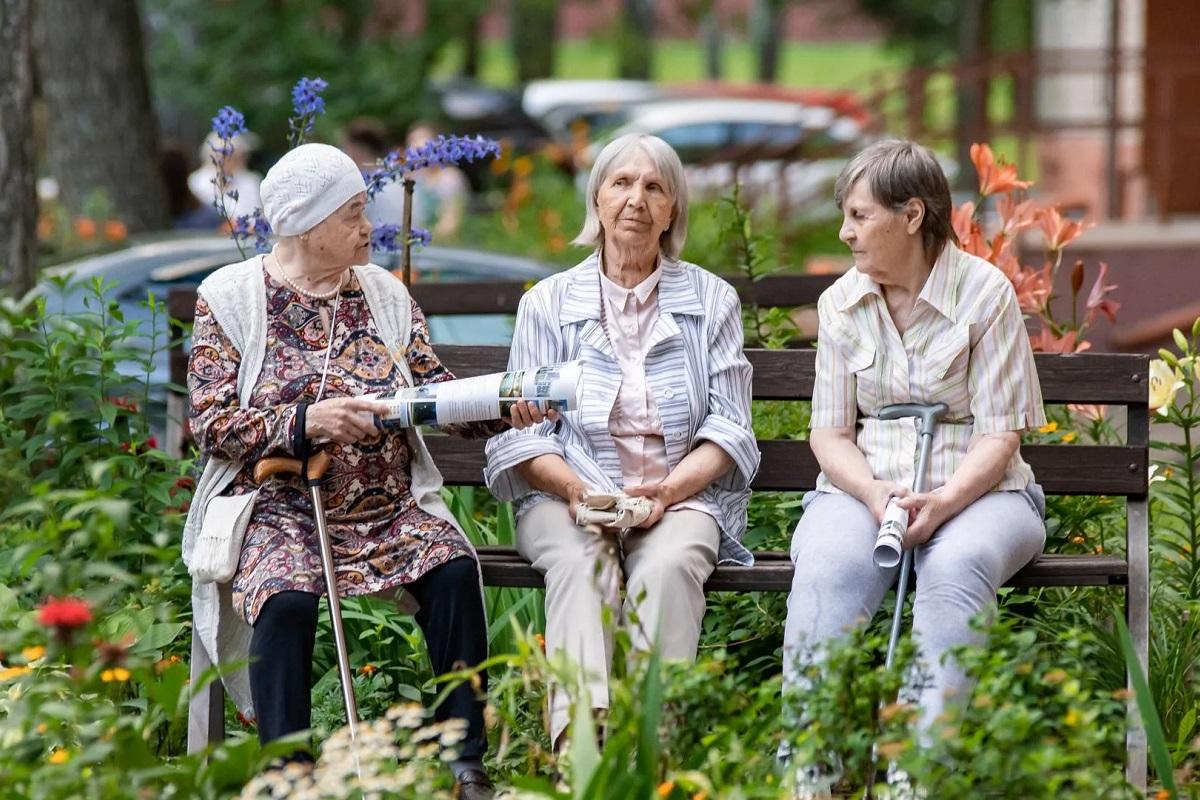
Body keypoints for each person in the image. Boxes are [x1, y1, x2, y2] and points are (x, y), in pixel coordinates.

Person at [181, 143, 544, 800]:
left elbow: (429, 388)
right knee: (285, 600)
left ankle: (466, 763)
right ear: (308, 223)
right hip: (279, 507)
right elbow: (209, 425)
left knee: (454, 569)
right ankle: (288, 775)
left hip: (387, 508)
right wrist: (308, 422)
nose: (367, 226)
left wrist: (500, 409)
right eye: (352, 213)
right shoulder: (230, 297)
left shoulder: (382, 292)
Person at [781, 139, 1046, 794]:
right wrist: (873, 495)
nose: (845, 232)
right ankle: (813, 774)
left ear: (911, 215)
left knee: (955, 567)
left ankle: (918, 779)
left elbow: (1001, 435)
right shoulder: (841, 304)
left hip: (983, 493)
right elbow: (830, 433)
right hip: (863, 489)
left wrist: (945, 502)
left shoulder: (984, 295)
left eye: (859, 215)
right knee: (826, 569)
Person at [484, 133, 759, 749]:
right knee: (582, 564)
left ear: (672, 212)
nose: (636, 199)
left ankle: (650, 753)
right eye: (622, 183)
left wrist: (665, 491)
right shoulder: (549, 303)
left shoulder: (711, 301)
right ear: (599, 200)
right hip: (566, 497)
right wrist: (580, 492)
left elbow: (729, 427)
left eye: (654, 187)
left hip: (678, 495)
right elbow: (523, 432)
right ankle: (581, 752)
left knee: (667, 566)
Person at [406, 122, 470, 241]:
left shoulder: (450, 178)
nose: (415, 148)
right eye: (412, 143)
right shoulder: (414, 179)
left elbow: (451, 222)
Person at [188, 131, 262, 220]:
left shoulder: (252, 182)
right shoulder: (195, 182)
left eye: (233, 155)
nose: (227, 160)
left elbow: (259, 216)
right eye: (222, 154)